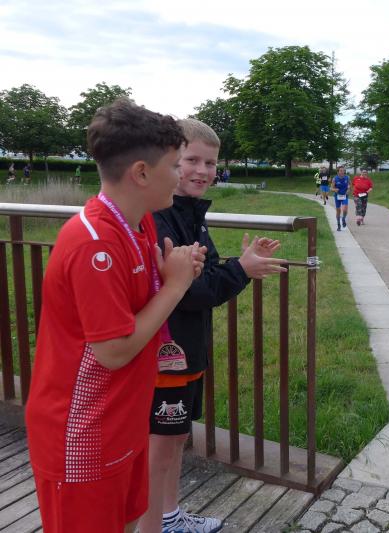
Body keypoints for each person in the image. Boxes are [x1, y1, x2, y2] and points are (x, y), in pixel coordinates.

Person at [24, 98, 204, 533]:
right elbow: (113, 350)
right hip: (81, 432)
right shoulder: (95, 244)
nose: (180, 175)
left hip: (122, 418)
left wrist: (171, 275)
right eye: (174, 165)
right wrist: (176, 286)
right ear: (141, 173)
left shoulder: (138, 223)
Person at [138, 119, 287, 533]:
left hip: (189, 347)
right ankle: (154, 526)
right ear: (170, 159)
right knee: (159, 448)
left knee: (175, 440)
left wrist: (241, 264)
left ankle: (169, 518)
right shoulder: (161, 217)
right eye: (191, 160)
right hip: (167, 352)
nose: (202, 171)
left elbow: (204, 274)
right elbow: (190, 290)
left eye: (210, 163)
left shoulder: (190, 213)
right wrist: (242, 269)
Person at [333, 165, 350, 231]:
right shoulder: (335, 178)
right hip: (337, 196)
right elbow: (331, 188)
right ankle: (338, 224)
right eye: (341, 170)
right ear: (338, 172)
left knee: (345, 209)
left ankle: (343, 218)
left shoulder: (347, 177)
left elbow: (349, 185)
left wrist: (348, 189)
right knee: (338, 211)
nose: (342, 172)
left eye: (343, 170)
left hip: (345, 196)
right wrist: (335, 189)